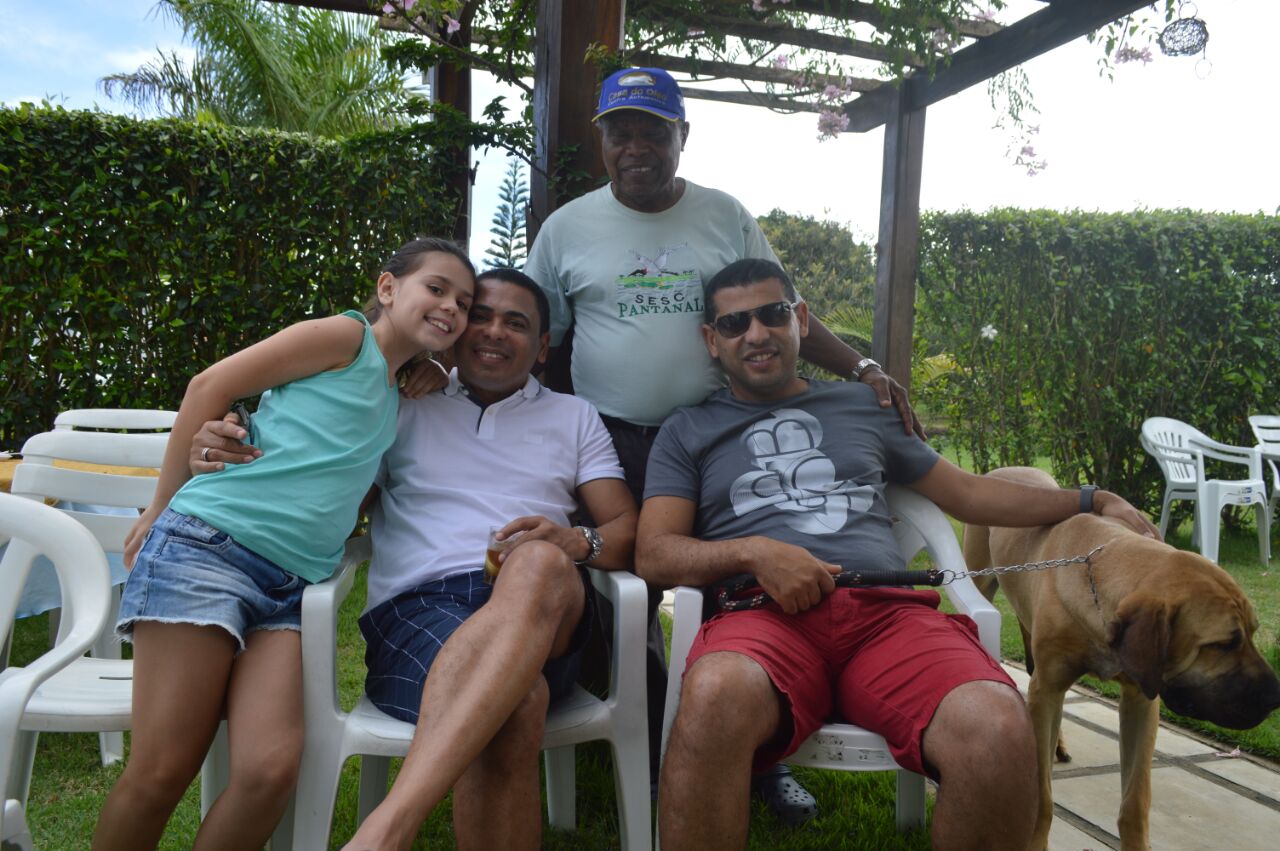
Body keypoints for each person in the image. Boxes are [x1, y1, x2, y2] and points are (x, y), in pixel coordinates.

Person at [635, 258, 1161, 850]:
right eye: (735, 324)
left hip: (884, 615)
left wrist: (1091, 498)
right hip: (761, 615)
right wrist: (755, 552)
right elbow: (654, 554)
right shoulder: (687, 430)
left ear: (800, 320)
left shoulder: (865, 407)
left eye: (772, 314)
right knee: (713, 697)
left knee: (997, 722)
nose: (756, 334)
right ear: (712, 340)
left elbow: (967, 493)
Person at [521, 65, 923, 819]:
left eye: (652, 132)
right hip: (610, 445)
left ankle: (757, 753)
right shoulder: (566, 228)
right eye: (620, 132)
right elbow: (534, 336)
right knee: (621, 603)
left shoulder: (724, 214)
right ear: (602, 141)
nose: (635, 147)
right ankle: (650, 749)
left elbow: (784, 310)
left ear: (683, 136)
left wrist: (864, 367)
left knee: (741, 593)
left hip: (722, 437)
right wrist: (452, 382)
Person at [191, 269, 638, 851]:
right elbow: (320, 486)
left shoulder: (573, 416)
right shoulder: (402, 402)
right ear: (457, 330)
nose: (493, 332)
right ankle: (390, 829)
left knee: (539, 563)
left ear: (543, 346)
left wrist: (575, 542)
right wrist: (227, 443)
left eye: (516, 323)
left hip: (544, 608)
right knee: (515, 703)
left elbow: (625, 529)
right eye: (481, 316)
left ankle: (386, 829)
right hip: (418, 612)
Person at [92, 237, 476, 851]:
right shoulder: (344, 338)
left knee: (269, 772)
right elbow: (208, 385)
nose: (451, 307)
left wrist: (431, 369)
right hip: (209, 550)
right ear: (387, 288)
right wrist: (160, 504)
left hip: (289, 590)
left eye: (464, 302)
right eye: (437, 288)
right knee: (162, 770)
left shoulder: (400, 388)